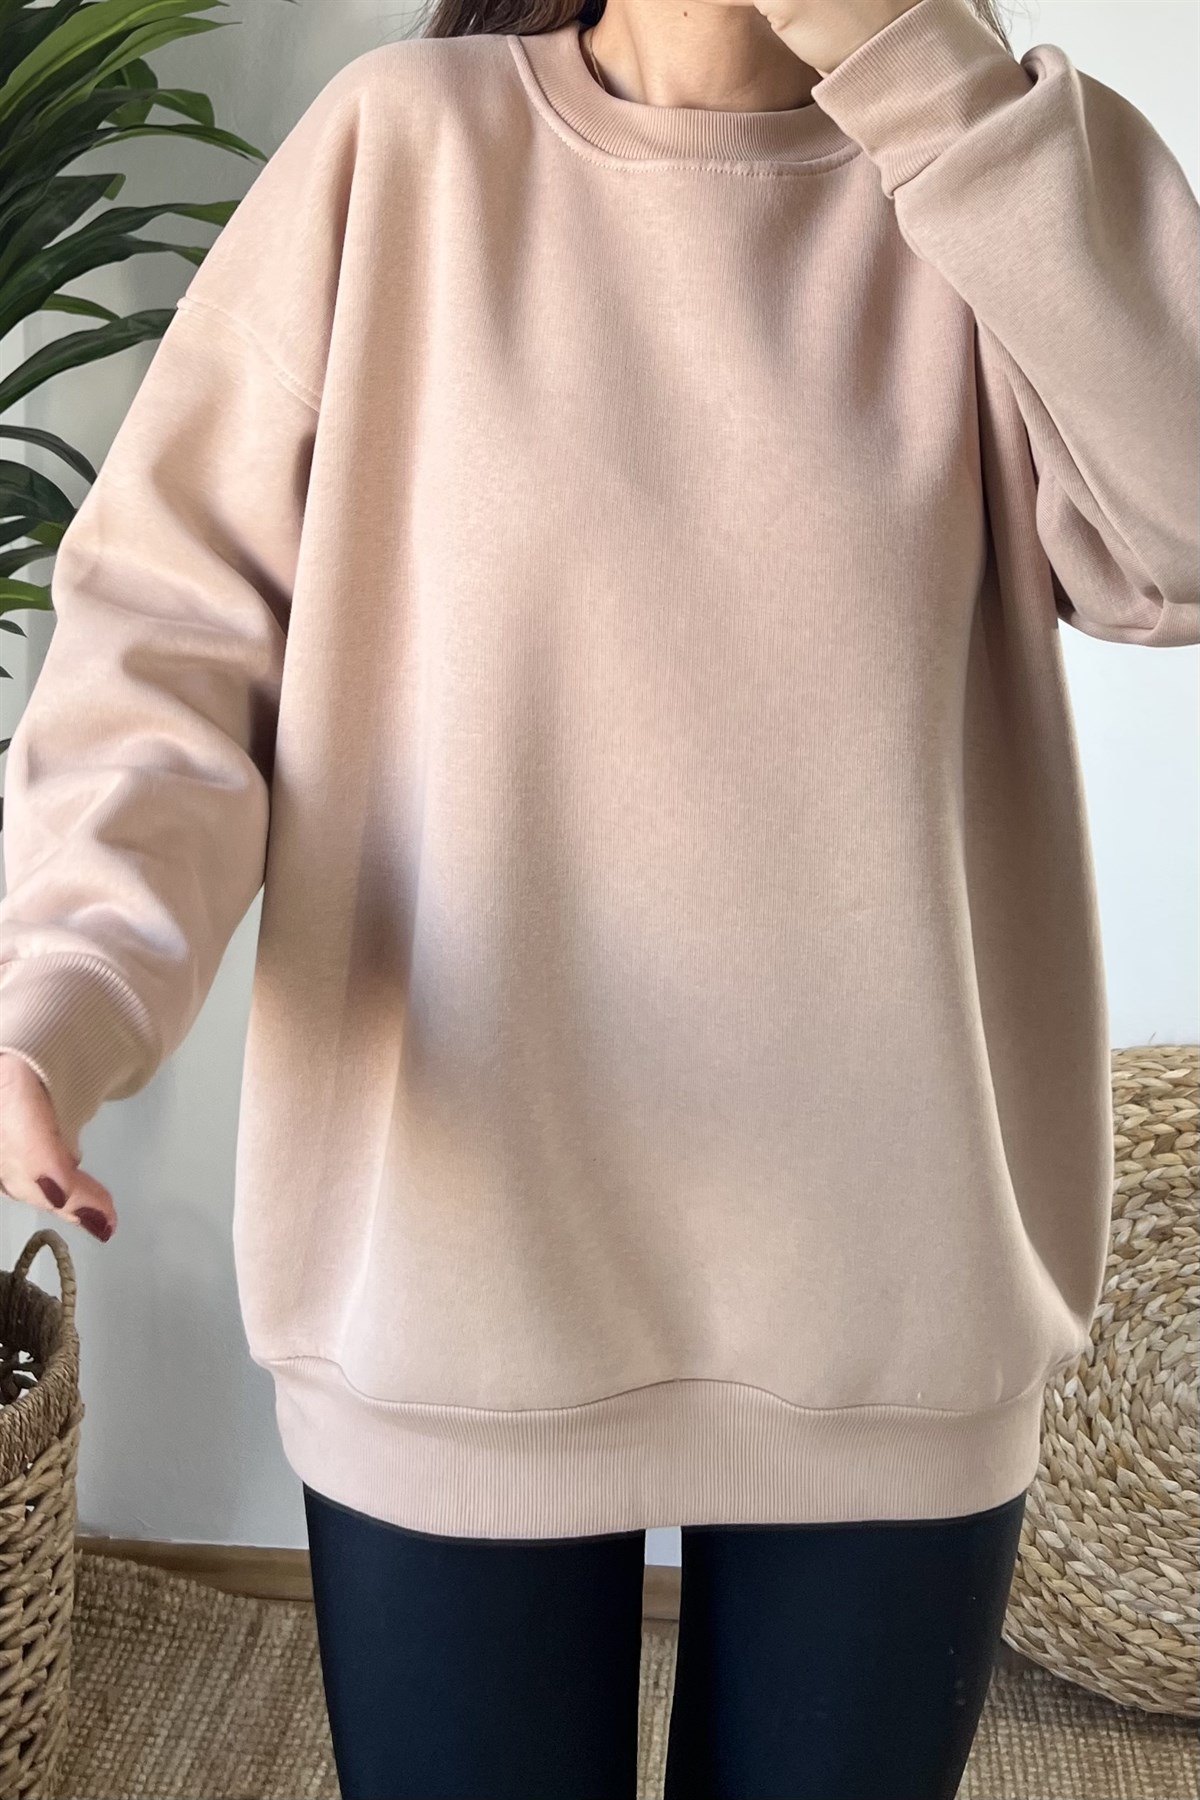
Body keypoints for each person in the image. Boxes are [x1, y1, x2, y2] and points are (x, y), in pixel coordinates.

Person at [1, 0, 1196, 1793]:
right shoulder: (400, 154)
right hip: (452, 1291)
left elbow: (1180, 534)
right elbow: (169, 655)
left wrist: (921, 66)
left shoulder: (991, 179)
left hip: (892, 1310)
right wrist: (60, 995)